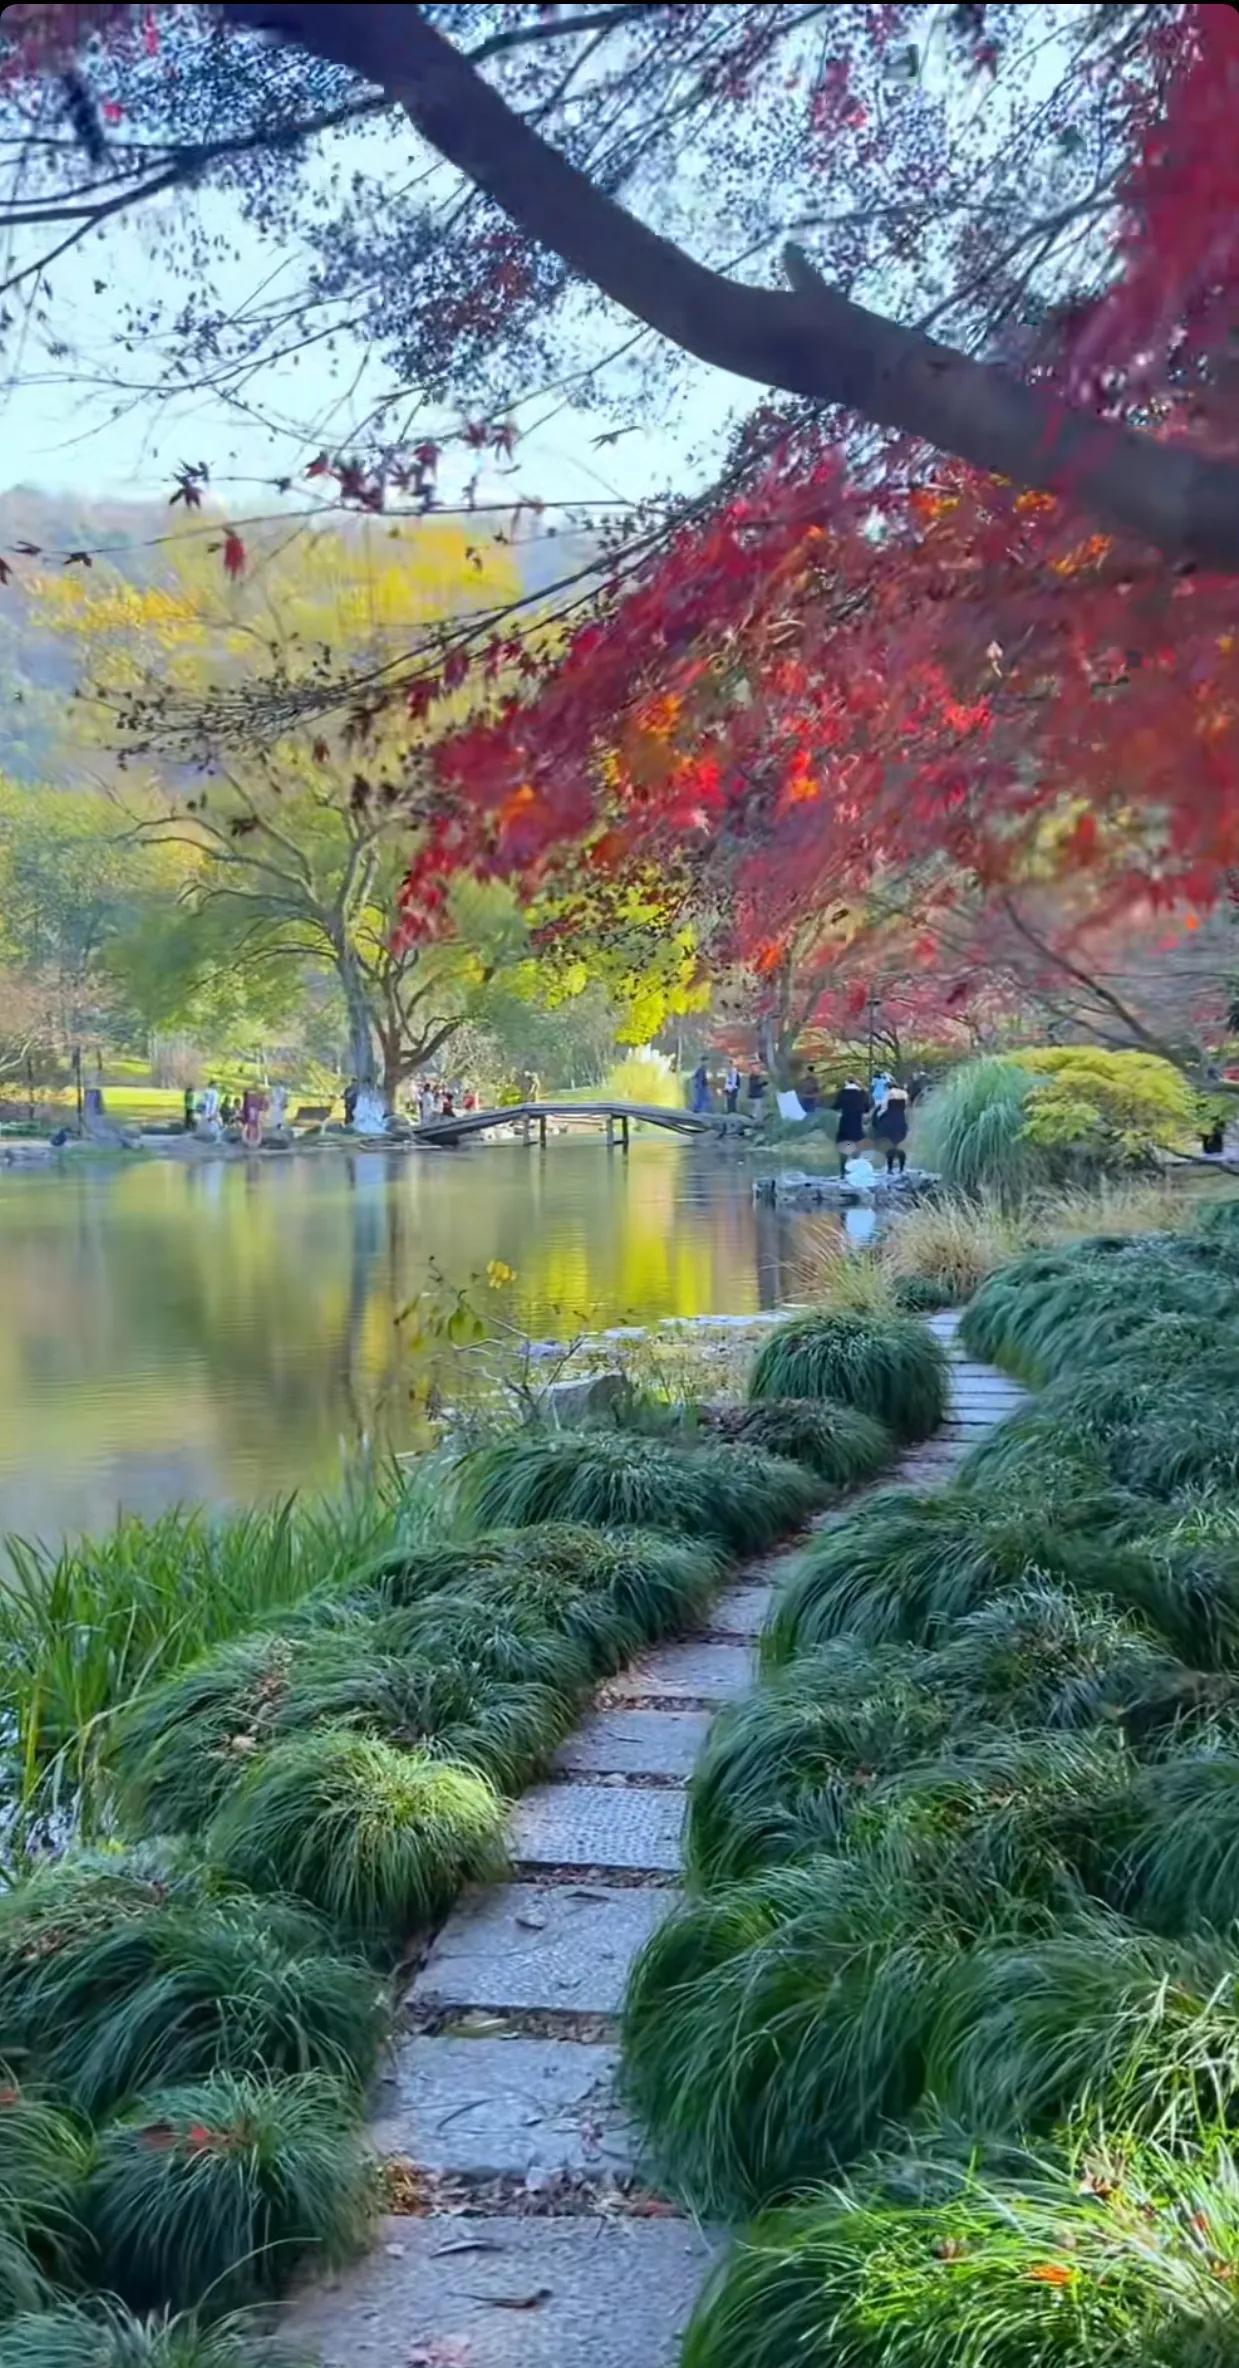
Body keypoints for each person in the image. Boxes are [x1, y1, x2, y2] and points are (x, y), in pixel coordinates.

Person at [831, 1076, 870, 1178]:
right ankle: (855, 1169)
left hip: (845, 1121)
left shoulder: (842, 1093)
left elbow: (836, 1106)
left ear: (846, 1083)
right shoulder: (862, 1093)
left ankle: (843, 1171)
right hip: (857, 1122)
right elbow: (867, 1108)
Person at [874, 1080, 910, 1174]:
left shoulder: (889, 1093)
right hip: (901, 1120)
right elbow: (906, 1107)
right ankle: (902, 1167)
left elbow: (884, 1107)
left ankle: (890, 1168)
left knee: (890, 1145)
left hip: (889, 1121)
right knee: (899, 1144)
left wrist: (878, 1117)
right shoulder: (904, 1093)